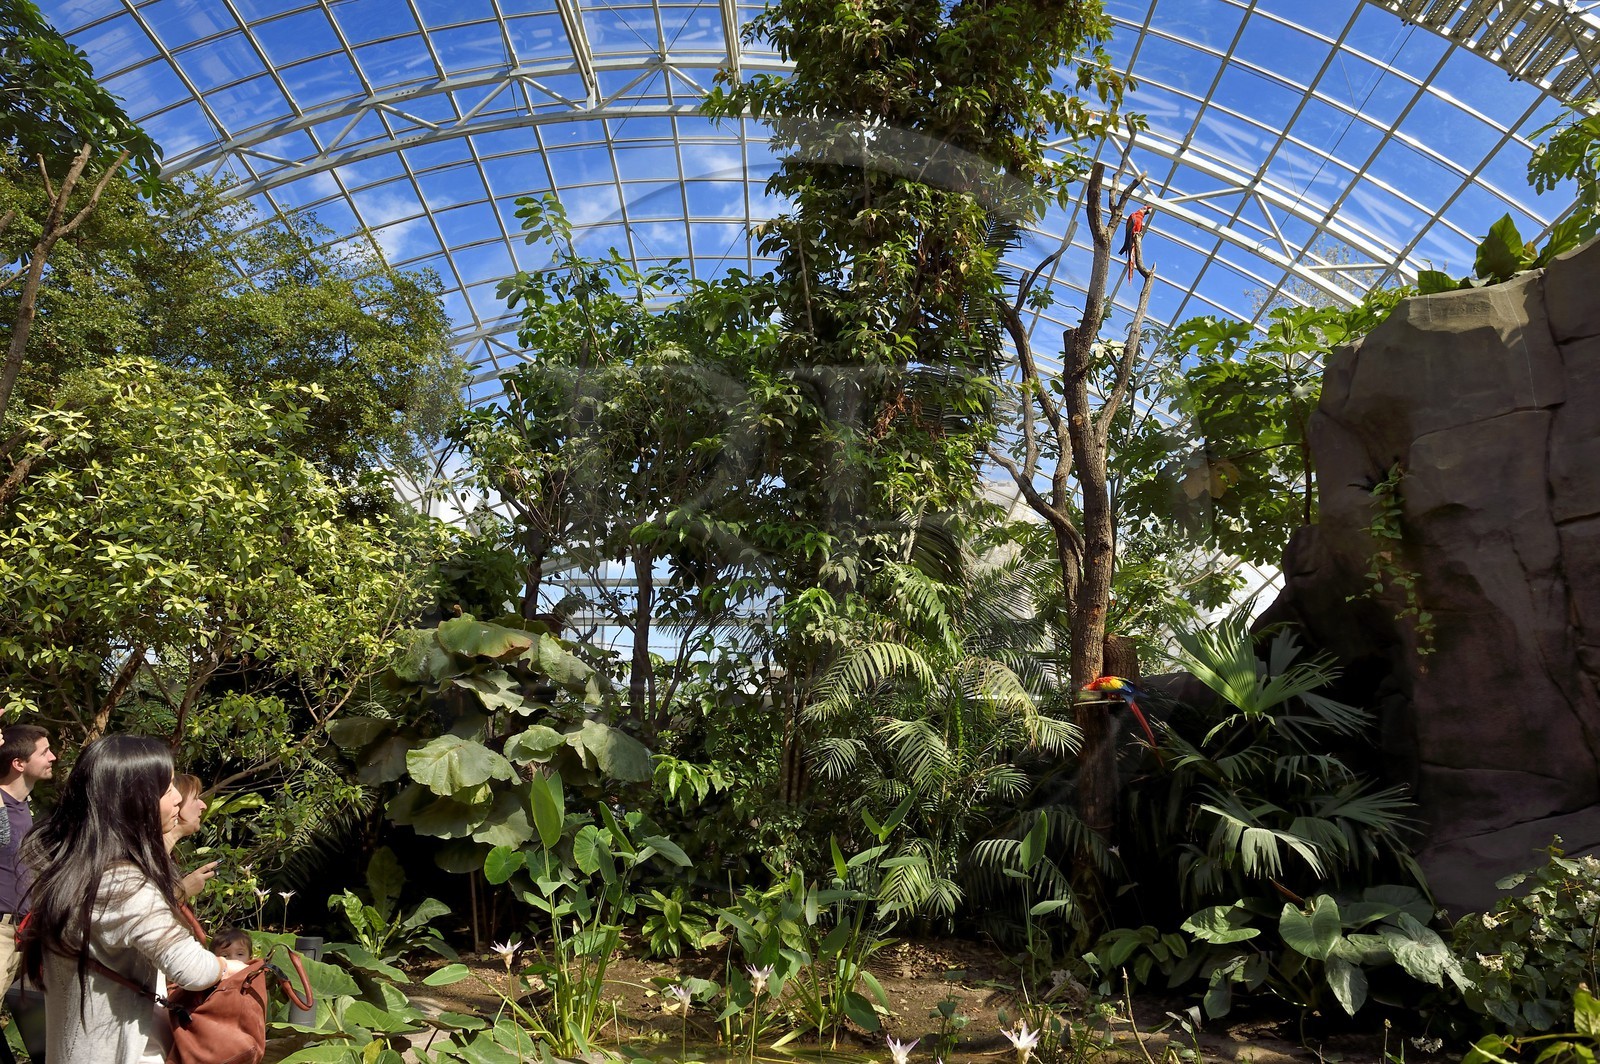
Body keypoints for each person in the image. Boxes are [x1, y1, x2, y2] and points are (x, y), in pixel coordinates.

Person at [21, 734, 247, 1064]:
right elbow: (193, 969)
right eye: (168, 788)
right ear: (134, 799)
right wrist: (229, 966)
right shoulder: (122, 883)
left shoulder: (67, 868)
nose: (177, 801)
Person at [0, 723, 55, 996]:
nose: (53, 757)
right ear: (19, 764)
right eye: (44, 752)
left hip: (18, 934)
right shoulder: (1, 804)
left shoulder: (22, 807)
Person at [164, 773, 219, 900]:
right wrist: (181, 892)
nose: (204, 806)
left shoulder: (165, 856)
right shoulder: (145, 859)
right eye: (195, 798)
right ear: (175, 804)